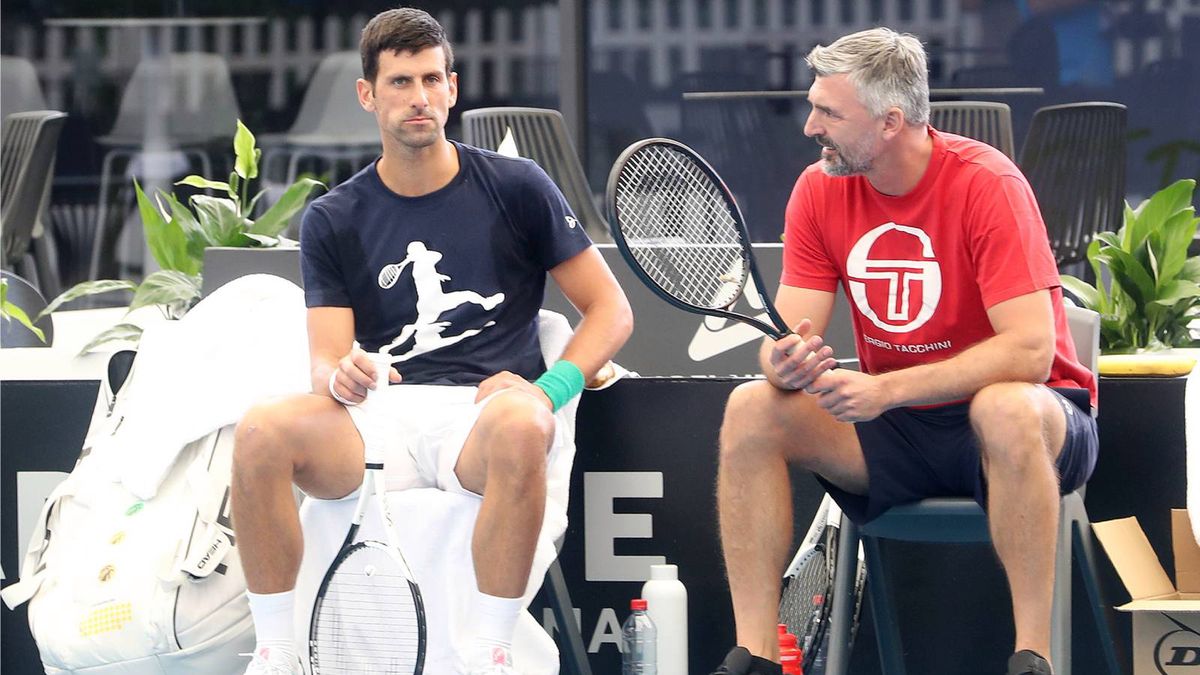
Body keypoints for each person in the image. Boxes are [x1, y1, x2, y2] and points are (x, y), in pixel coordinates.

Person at [230, 8, 632, 675]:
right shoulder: (333, 216)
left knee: (525, 418)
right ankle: (278, 653)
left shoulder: (518, 186)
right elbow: (326, 357)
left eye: (431, 79)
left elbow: (610, 311)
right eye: (399, 82)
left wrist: (548, 386)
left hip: (482, 413)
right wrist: (341, 376)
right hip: (378, 419)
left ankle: (489, 654)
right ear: (368, 94)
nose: (418, 97)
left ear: (451, 87)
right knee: (260, 432)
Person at [710, 28, 1096, 675]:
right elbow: (791, 331)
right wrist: (782, 362)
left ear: (891, 121)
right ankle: (755, 658)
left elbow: (1031, 351)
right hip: (903, 433)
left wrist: (886, 388)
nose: (809, 126)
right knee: (753, 406)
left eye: (828, 112)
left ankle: (1033, 658)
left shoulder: (987, 183)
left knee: (1002, 408)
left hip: (1032, 423)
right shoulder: (818, 189)